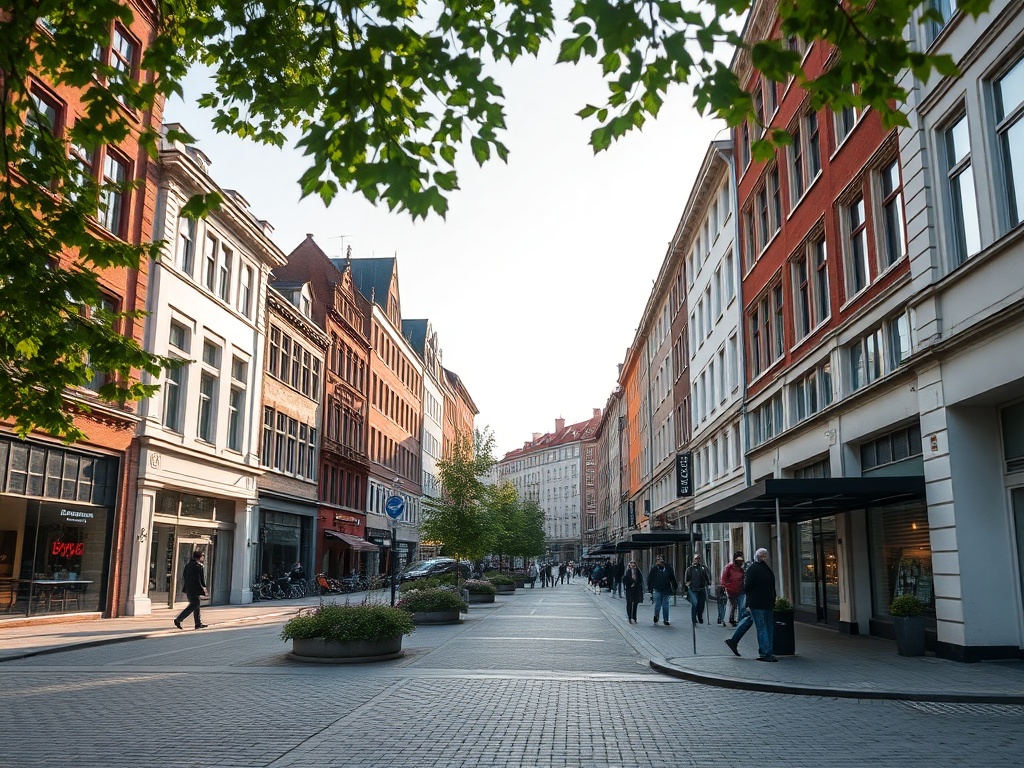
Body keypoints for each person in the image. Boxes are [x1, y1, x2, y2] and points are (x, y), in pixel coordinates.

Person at [725, 548, 778, 661]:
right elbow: (772, 586)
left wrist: (748, 602)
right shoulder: (767, 569)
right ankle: (767, 651)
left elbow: (747, 587)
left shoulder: (753, 569)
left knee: (761, 627)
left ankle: (765, 653)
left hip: (757, 603)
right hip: (768, 602)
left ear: (755, 556)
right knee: (767, 627)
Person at [174, 550, 209, 630]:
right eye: (203, 556)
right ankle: (179, 619)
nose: (203, 557)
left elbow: (184, 576)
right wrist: (203, 588)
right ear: (199, 557)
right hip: (196, 589)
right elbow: (200, 579)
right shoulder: (199, 566)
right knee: (194, 605)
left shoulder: (188, 565)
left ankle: (198, 623)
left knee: (196, 605)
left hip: (189, 589)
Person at [647, 554, 678, 626]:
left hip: (666, 589)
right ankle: (656, 616)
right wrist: (650, 589)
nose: (659, 561)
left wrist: (675, 587)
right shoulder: (654, 569)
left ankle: (666, 619)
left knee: (666, 605)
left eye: (660, 559)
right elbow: (650, 579)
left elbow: (672, 578)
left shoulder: (668, 568)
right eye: (657, 560)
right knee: (657, 605)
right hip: (657, 589)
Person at [684, 553, 713, 624]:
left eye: (698, 558)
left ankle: (700, 616)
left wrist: (708, 582)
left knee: (701, 605)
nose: (697, 560)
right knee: (695, 603)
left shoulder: (703, 568)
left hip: (701, 588)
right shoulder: (689, 569)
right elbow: (686, 579)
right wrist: (688, 585)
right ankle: (694, 619)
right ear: (693, 559)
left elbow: (707, 577)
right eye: (695, 558)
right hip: (693, 589)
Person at [721, 552, 746, 627]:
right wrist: (725, 586)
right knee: (732, 604)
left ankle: (735, 619)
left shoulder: (741, 569)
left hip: (740, 589)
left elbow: (743, 578)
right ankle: (729, 619)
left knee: (738, 605)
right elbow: (724, 578)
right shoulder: (729, 567)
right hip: (731, 589)